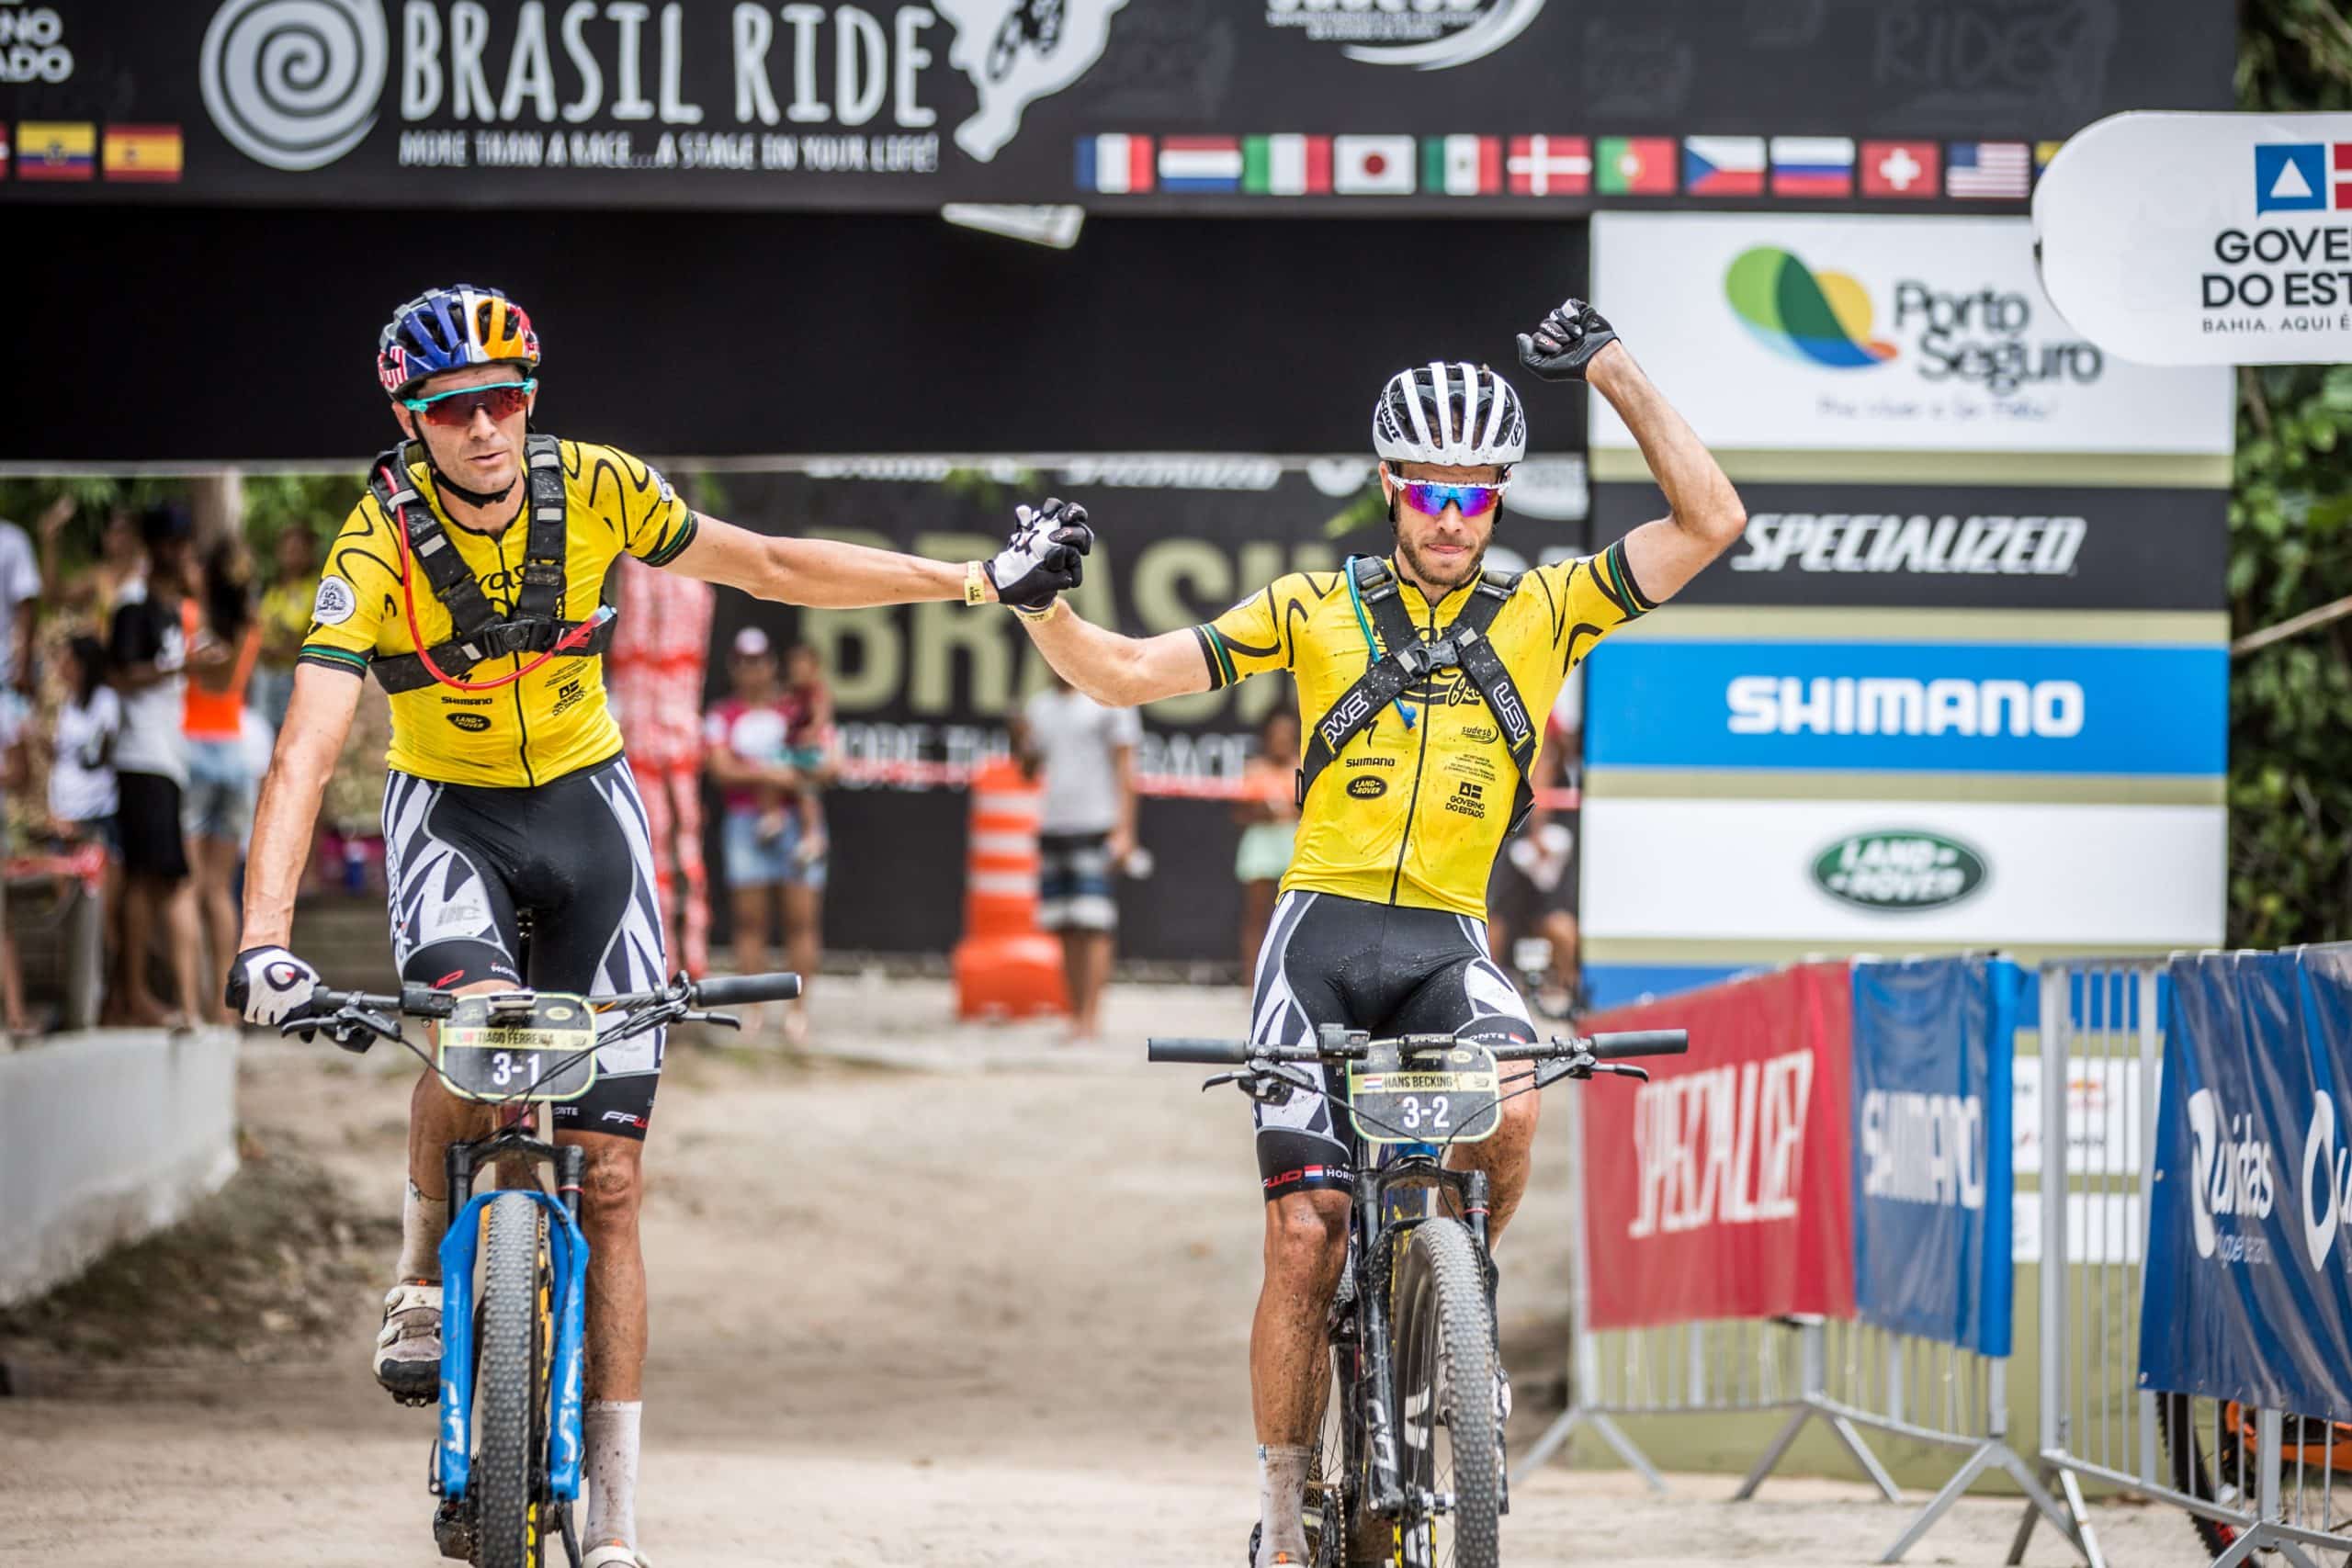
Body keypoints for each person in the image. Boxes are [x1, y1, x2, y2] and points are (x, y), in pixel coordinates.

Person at [222, 284, 1084, 1568]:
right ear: (410, 422)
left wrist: (975, 579)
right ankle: (417, 1273)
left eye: (505, 398)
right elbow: (305, 746)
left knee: (614, 1178)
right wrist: (264, 938)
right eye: (453, 409)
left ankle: (617, 1523)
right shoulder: (373, 543)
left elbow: (775, 566)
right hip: (451, 811)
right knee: (466, 1030)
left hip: (586, 804)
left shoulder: (604, 488)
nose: (485, 429)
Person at [1001, 298, 1747, 1568]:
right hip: (1318, 942)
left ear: (1499, 500)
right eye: (1427, 494)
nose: (1449, 522)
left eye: (1474, 497)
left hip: (1450, 941)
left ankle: (1459, 1300)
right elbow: (1126, 672)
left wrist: (1611, 370)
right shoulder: (1312, 606)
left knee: (1514, 1102)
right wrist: (1039, 608)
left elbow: (1711, 522)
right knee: (1306, 1235)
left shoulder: (1549, 608)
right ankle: (1287, 1512)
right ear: (1389, 486)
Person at [704, 626, 829, 1042]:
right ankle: (753, 1007)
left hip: (794, 816)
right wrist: (769, 773)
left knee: (800, 921)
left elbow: (826, 759)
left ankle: (799, 1010)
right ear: (733, 666)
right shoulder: (723, 714)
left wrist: (791, 774)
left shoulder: (793, 709)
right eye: (744, 662)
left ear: (771, 665)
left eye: (758, 662)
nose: (752, 671)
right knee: (749, 921)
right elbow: (721, 769)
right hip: (745, 820)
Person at [109, 504, 207, 1028]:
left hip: (168, 756)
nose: (183, 551)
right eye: (174, 542)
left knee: (155, 879)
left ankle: (137, 996)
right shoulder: (133, 603)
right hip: (142, 756)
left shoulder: (172, 604)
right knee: (149, 879)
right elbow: (121, 674)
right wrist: (179, 666)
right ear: (156, 547)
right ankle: (133, 996)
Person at [1010, 665, 1140, 1044]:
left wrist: (1125, 830)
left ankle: (1091, 1018)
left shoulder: (1107, 699)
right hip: (1053, 825)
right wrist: (1021, 742)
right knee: (1064, 925)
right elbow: (1029, 771)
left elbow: (1126, 766)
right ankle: (1073, 1016)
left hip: (1096, 823)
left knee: (1094, 926)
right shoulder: (1040, 708)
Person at [184, 538, 263, 1024]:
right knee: (219, 891)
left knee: (189, 889)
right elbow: (232, 681)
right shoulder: (250, 626)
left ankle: (193, 1004)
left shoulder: (191, 618)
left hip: (193, 750)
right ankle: (226, 1011)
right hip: (234, 753)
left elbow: (205, 680)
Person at [50, 635, 121, 1023]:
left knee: (102, 918)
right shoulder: (66, 706)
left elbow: (99, 757)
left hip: (94, 822)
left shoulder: (105, 702)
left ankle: (108, 999)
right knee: (70, 918)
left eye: (65, 659)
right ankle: (76, 1003)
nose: (60, 667)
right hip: (64, 821)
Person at [1233, 707, 1301, 974]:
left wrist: (1291, 811)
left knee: (1293, 917)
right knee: (1257, 916)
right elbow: (1238, 813)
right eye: (1276, 734)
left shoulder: (1302, 766)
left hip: (1293, 841)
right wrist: (1261, 812)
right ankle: (1252, 979)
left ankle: (1288, 977)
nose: (1281, 740)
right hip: (1261, 842)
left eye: (1287, 735)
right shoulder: (1254, 768)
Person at [252, 523, 320, 733]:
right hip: (265, 676)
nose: (290, 554)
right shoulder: (273, 589)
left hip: (293, 678)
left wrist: (285, 649)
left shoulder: (315, 589)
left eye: (297, 549)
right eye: (287, 548)